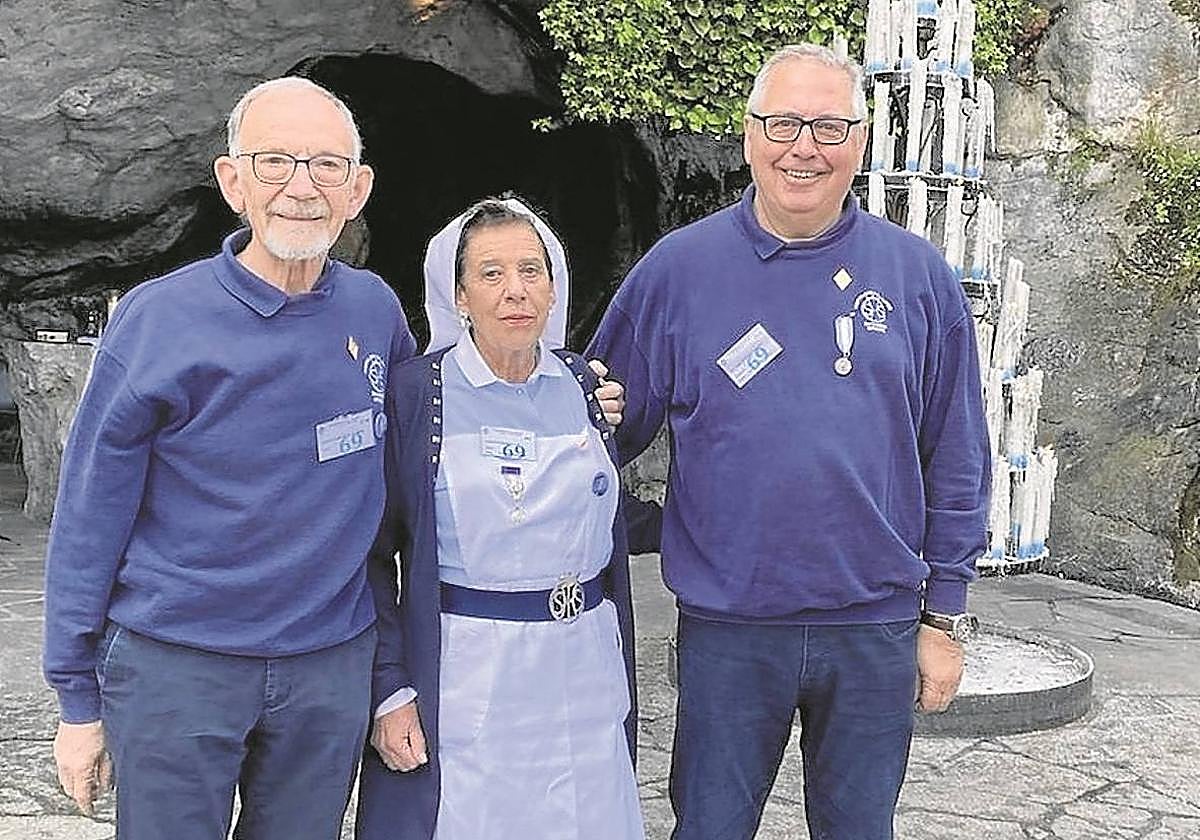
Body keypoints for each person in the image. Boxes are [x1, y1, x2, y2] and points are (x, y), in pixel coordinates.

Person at [40, 79, 625, 838]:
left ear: (358, 189)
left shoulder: (373, 311)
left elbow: (429, 443)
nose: (301, 188)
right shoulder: (159, 320)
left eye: (325, 166)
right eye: (276, 161)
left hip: (327, 670)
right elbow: (88, 515)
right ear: (232, 181)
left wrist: (579, 397)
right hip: (181, 667)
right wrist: (76, 699)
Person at [587, 44, 991, 840]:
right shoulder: (679, 270)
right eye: (783, 124)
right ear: (748, 136)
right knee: (707, 828)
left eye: (828, 126)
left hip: (873, 629)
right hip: (730, 630)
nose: (803, 146)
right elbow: (600, 429)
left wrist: (943, 618)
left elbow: (958, 455)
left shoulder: (917, 276)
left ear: (862, 143)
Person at [355, 198, 644, 840]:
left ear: (553, 284)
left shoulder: (585, 386)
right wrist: (390, 689)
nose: (515, 291)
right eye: (490, 274)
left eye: (531, 270)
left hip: (583, 667)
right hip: (471, 677)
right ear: (458, 294)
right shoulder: (415, 395)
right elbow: (371, 557)